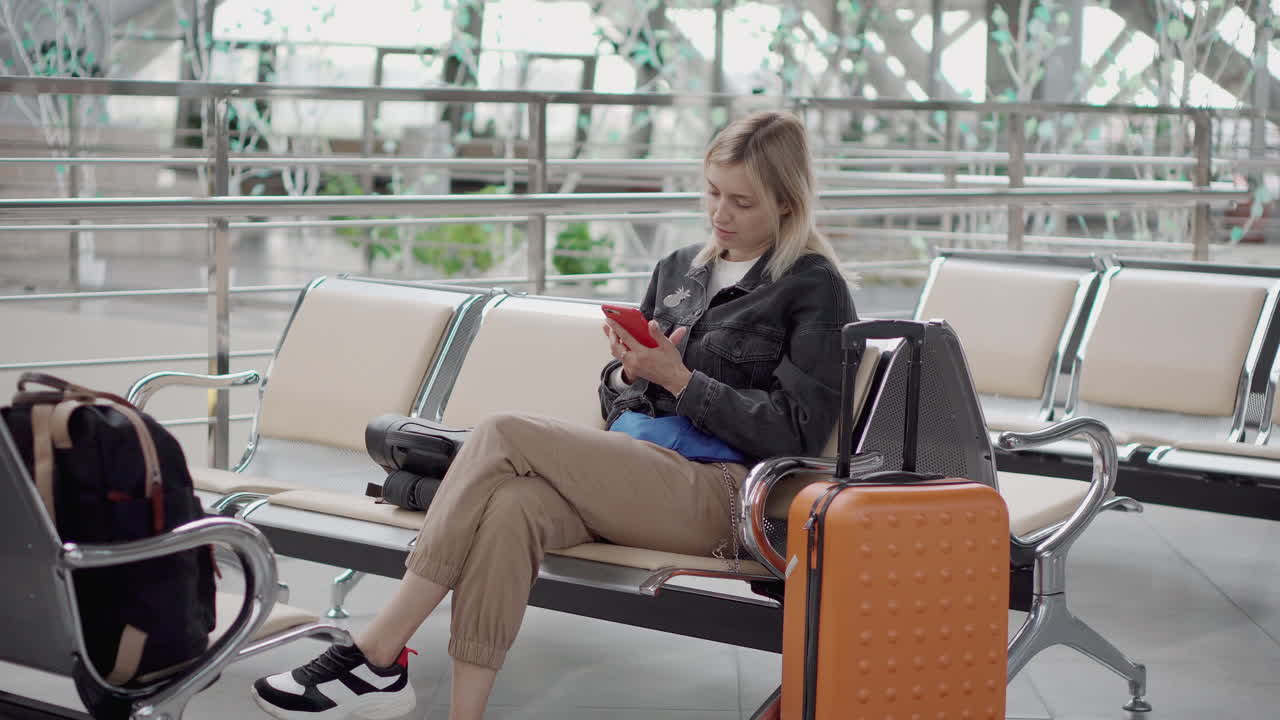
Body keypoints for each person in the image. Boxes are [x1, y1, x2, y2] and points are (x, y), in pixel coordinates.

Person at [250, 110, 857, 720]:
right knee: (512, 507)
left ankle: (378, 649)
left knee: (503, 432)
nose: (720, 213)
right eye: (713, 193)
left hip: (721, 494)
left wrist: (679, 378)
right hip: (635, 468)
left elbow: (794, 431)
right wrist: (629, 374)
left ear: (786, 203)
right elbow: (617, 400)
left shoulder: (812, 287)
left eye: (742, 202)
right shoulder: (679, 271)